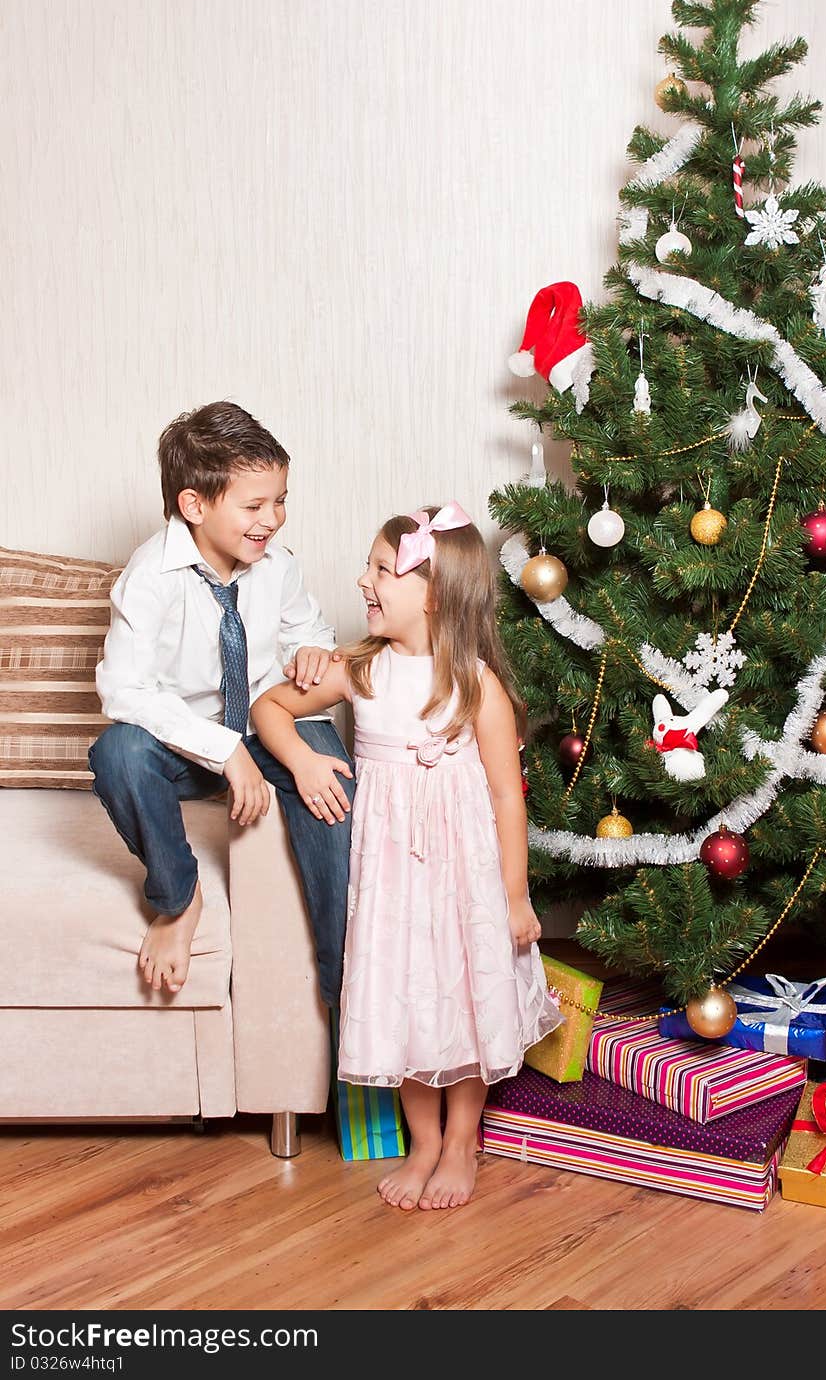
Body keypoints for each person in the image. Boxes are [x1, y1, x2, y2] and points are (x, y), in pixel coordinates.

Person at [251, 503, 561, 1211]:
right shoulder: (360, 670)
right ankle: (423, 1142)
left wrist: (515, 896)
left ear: (434, 592)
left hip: (467, 880)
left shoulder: (477, 685)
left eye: (382, 569)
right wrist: (301, 761)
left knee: (465, 995)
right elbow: (268, 710)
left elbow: (508, 799)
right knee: (409, 1002)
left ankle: (461, 1141)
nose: (363, 581)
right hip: (392, 881)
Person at [89, 401, 353, 1002]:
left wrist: (312, 649)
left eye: (280, 500)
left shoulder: (278, 567)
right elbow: (123, 689)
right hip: (189, 745)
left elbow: (308, 629)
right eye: (255, 506)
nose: (274, 519)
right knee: (118, 753)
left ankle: (344, 991)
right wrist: (223, 749)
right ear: (195, 506)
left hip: (266, 729)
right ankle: (178, 898)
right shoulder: (150, 577)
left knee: (333, 783)